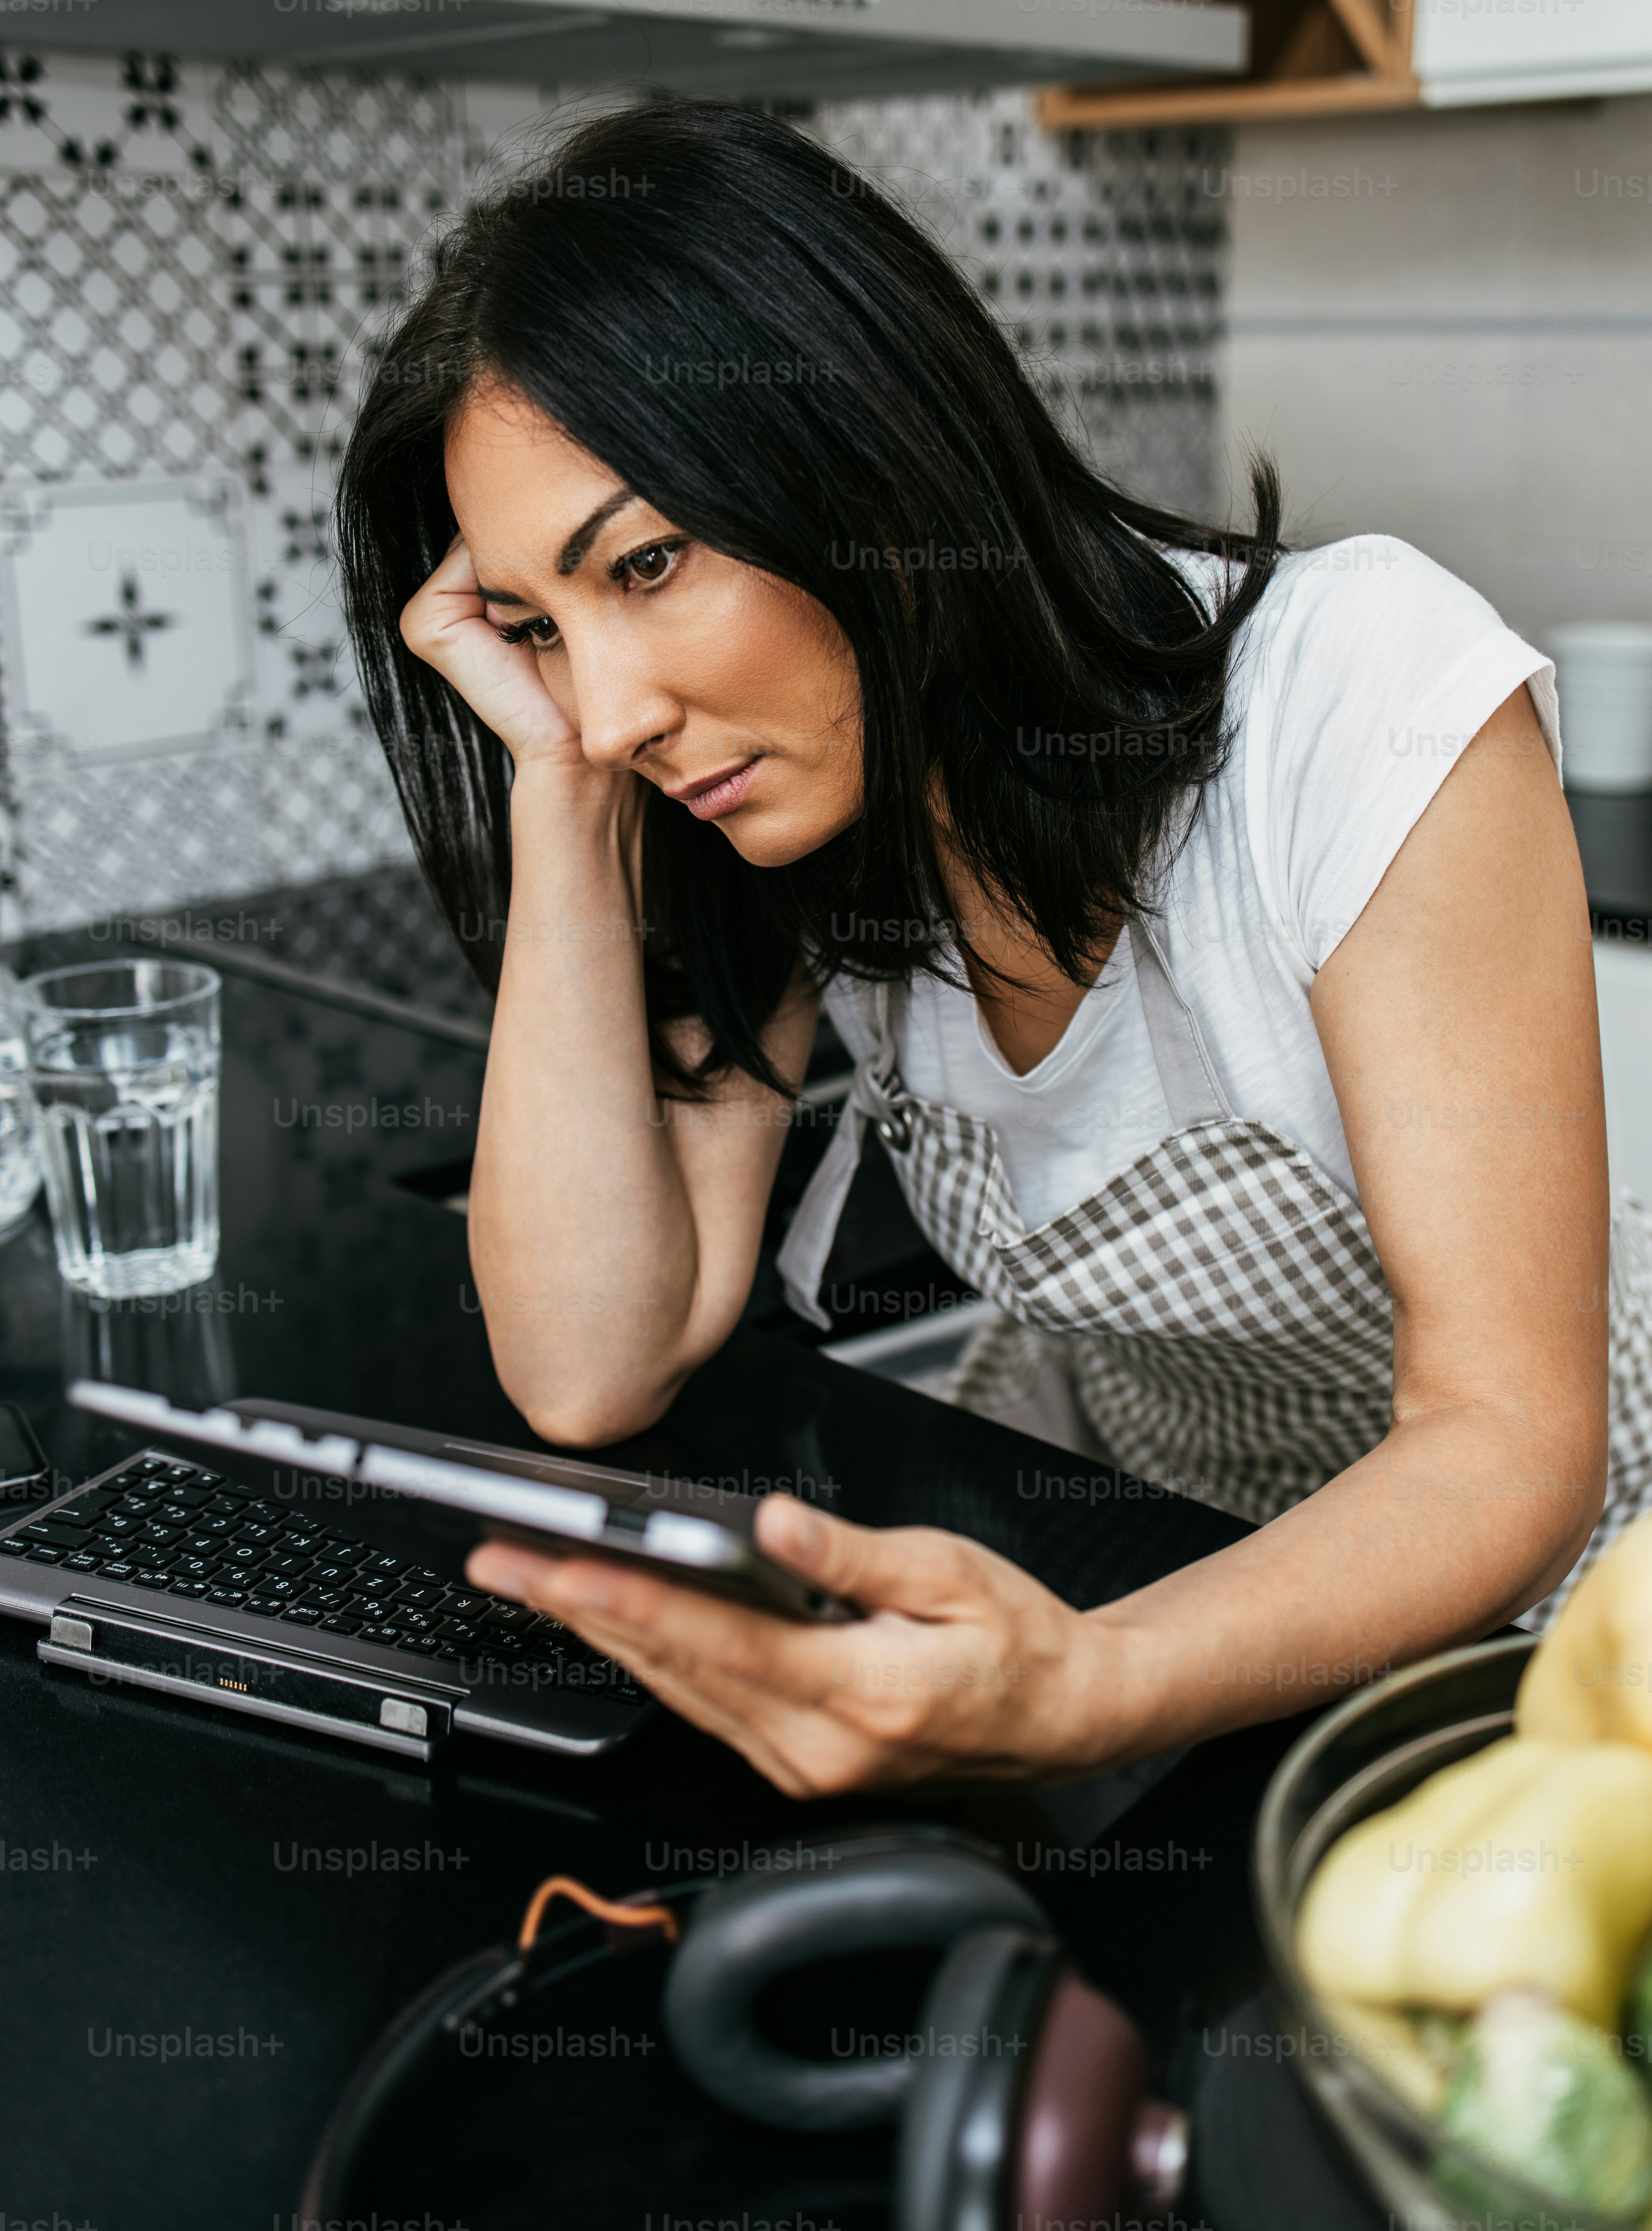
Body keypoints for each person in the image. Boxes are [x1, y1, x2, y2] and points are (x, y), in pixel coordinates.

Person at [337, 98, 1634, 1802]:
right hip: (1122, 1572)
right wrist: (559, 790)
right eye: (533, 626)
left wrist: (1093, 1685)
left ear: (861, 458)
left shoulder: (1359, 692)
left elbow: (1500, 1447)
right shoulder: (775, 802)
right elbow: (591, 1363)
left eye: (646, 563)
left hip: (1527, 1659)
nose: (617, 703)